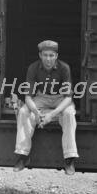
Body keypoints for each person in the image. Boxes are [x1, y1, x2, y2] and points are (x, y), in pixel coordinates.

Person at [13, 40, 79, 175]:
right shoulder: (33, 68)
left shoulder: (64, 68)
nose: (48, 59)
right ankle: (22, 156)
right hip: (41, 97)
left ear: (56, 56)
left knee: (69, 114)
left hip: (61, 98)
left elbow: (68, 98)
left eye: (51, 55)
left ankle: (70, 158)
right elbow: (28, 97)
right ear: (40, 55)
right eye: (45, 55)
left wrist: (51, 115)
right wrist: (36, 113)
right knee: (24, 111)